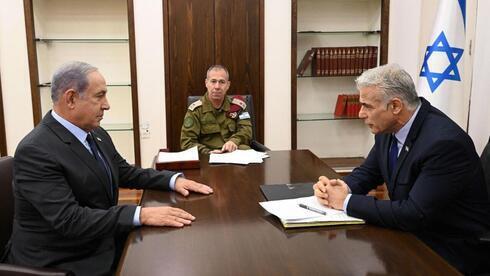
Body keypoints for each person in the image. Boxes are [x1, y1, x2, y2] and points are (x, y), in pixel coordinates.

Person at [6, 61, 213, 275]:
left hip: (99, 239)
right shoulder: (36, 151)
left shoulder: (94, 132)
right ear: (71, 99)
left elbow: (125, 172)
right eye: (99, 96)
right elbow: (70, 220)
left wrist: (172, 180)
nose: (107, 105)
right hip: (64, 260)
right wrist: (140, 214)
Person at [313, 63, 490, 274]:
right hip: (412, 235)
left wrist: (346, 201)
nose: (361, 113)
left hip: (448, 249)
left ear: (395, 106)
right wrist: (339, 187)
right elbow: (369, 172)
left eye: (367, 106)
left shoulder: (444, 143)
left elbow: (413, 213)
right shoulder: (390, 127)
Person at [180, 65, 252, 154]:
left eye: (222, 82)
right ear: (206, 83)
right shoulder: (195, 110)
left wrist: (234, 141)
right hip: (208, 158)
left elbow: (247, 131)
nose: (217, 86)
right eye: (213, 81)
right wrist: (207, 152)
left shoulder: (238, 106)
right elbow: (187, 142)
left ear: (228, 85)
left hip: (235, 155)